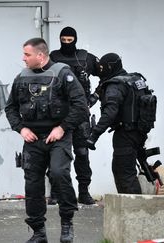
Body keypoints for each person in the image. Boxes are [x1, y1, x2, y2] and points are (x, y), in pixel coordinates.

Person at [5, 37, 88, 243]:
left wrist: (62, 128)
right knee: (32, 185)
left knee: (59, 174)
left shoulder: (62, 73)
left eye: (27, 54)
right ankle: (38, 232)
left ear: (40, 56)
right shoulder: (22, 77)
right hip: (32, 139)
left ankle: (67, 223)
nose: (23, 59)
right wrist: (21, 128)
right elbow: (10, 108)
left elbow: (81, 106)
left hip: (58, 136)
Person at [86, 53, 152, 194]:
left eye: (102, 67)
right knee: (126, 170)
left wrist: (94, 135)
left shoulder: (115, 85)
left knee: (124, 173)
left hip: (125, 134)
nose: (100, 70)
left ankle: (133, 212)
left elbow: (110, 113)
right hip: (139, 132)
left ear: (110, 67)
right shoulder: (135, 79)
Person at [48, 26, 100, 205]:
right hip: (58, 114)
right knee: (57, 153)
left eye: (70, 40)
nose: (67, 44)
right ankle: (55, 192)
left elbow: (108, 75)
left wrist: (95, 97)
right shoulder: (53, 58)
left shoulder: (86, 58)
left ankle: (84, 192)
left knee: (82, 152)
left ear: (75, 40)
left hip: (81, 114)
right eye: (64, 40)